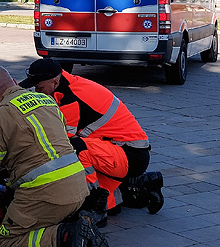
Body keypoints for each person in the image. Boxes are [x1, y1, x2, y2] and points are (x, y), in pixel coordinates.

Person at [0, 67, 108, 247]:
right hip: (79, 186)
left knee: (7, 239)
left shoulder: (0, 112)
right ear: (13, 81)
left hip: (45, 193)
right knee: (42, 215)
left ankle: (65, 239)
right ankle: (78, 226)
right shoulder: (46, 101)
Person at [19, 59, 162, 217]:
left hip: (130, 155)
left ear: (54, 81)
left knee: (75, 148)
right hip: (121, 151)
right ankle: (143, 183)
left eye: (39, 88)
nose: (37, 92)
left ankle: (92, 204)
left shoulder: (69, 99)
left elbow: (61, 146)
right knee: (112, 205)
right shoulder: (64, 85)